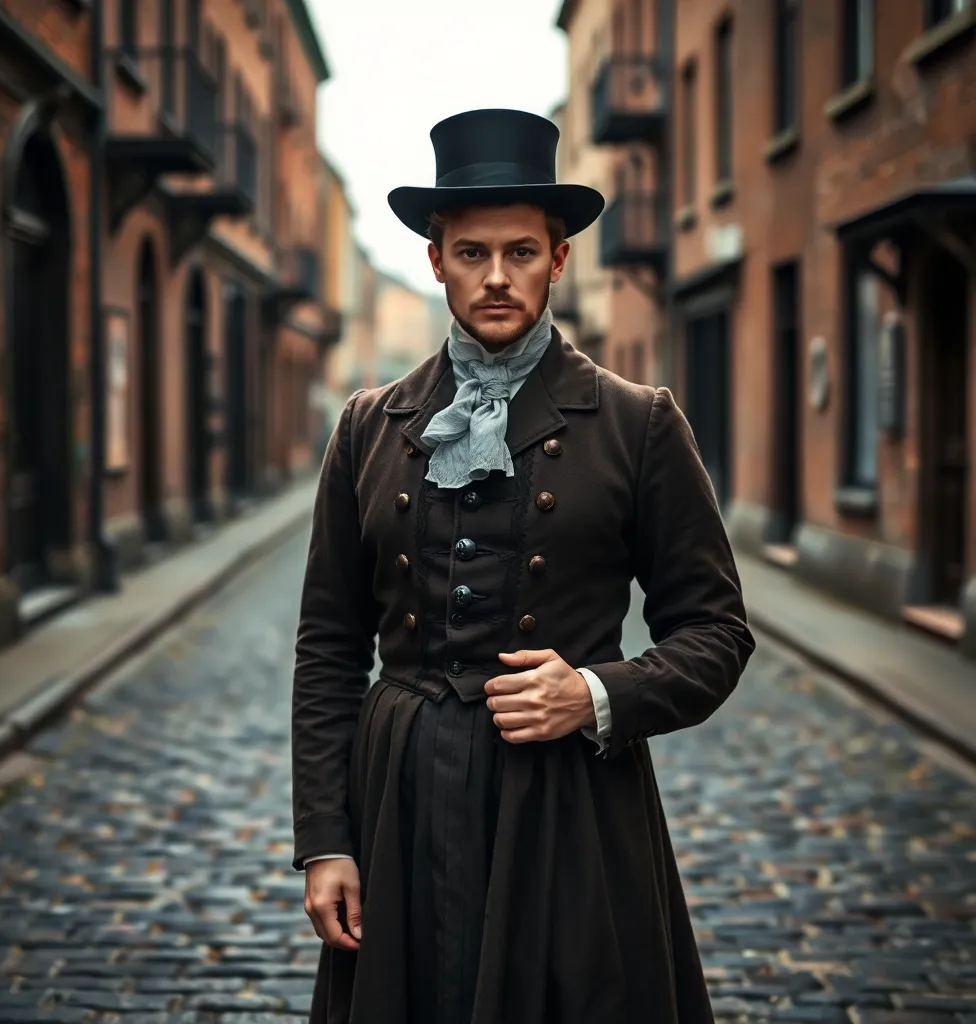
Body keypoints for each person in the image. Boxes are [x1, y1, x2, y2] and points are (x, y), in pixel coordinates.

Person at [291, 107, 755, 1024]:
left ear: (559, 259)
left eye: (521, 252)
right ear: (436, 261)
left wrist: (595, 694)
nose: (497, 277)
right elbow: (329, 646)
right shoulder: (368, 426)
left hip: (568, 807)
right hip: (401, 801)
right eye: (472, 253)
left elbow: (717, 632)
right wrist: (326, 840)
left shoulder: (638, 423)